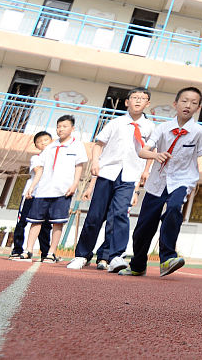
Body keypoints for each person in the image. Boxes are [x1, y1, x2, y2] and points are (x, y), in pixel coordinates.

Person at [119, 87, 202, 277]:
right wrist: (156, 155)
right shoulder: (163, 128)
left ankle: (167, 258)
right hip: (158, 181)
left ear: (198, 107)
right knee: (144, 227)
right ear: (175, 104)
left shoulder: (199, 132)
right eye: (184, 101)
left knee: (174, 208)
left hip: (182, 180)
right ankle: (137, 265)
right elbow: (142, 151)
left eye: (193, 103)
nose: (188, 105)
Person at [68, 88, 154, 271]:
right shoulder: (116, 123)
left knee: (120, 215)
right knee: (95, 215)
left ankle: (114, 256)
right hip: (107, 172)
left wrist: (145, 172)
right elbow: (98, 145)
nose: (138, 101)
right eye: (134, 98)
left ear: (148, 104)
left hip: (130, 176)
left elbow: (150, 151)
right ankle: (82, 255)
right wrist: (95, 163)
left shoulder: (150, 127)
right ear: (127, 102)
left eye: (142, 99)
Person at [23, 115, 88, 263]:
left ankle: (51, 253)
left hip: (63, 190)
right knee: (35, 221)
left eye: (65, 126)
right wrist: (32, 187)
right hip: (43, 190)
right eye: (59, 126)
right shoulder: (50, 146)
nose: (61, 129)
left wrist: (75, 184)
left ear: (72, 128)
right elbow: (40, 169)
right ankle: (28, 250)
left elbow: (79, 166)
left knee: (57, 222)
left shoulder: (77, 145)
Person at [9, 131, 52, 261]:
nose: (43, 143)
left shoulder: (57, 159)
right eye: (39, 141)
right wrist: (31, 188)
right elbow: (38, 171)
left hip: (46, 195)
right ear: (36, 146)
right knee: (22, 222)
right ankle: (17, 250)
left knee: (45, 225)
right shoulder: (36, 158)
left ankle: (46, 253)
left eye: (46, 140)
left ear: (52, 141)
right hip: (31, 194)